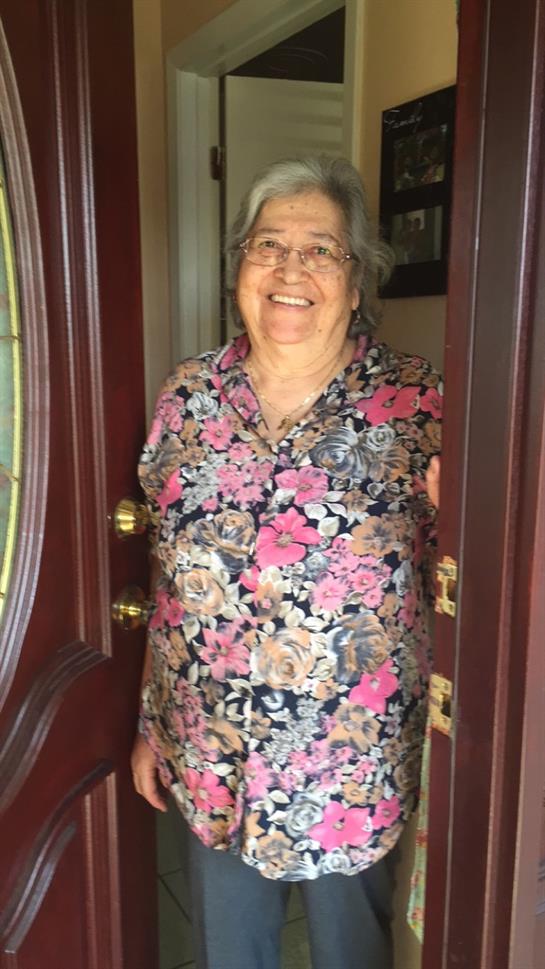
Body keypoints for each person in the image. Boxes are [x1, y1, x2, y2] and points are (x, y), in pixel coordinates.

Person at [132, 155, 442, 969]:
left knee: (351, 954)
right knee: (229, 953)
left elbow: (465, 585)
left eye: (320, 249)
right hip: (211, 747)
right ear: (239, 263)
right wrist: (149, 726)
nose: (289, 270)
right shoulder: (187, 398)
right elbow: (169, 586)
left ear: (358, 274)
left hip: (353, 765)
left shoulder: (419, 405)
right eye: (267, 244)